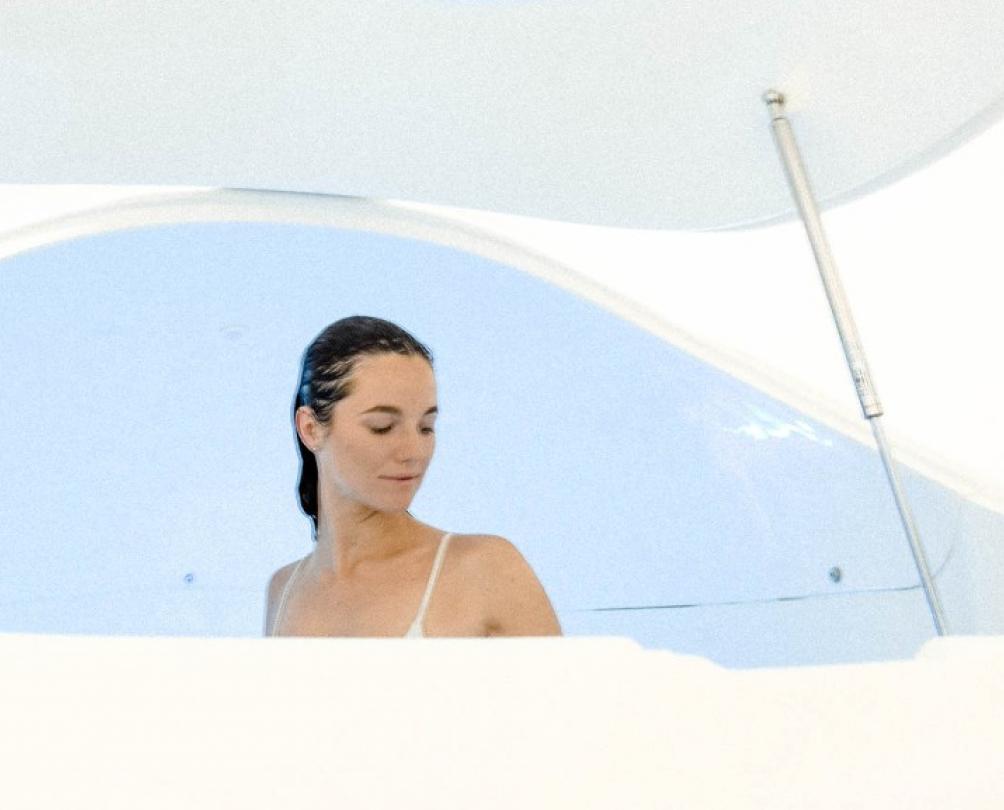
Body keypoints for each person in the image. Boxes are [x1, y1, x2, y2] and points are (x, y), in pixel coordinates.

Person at [265, 315, 562, 638]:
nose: (413, 451)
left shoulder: (486, 571)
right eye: (382, 426)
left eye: (426, 427)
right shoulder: (283, 591)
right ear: (311, 429)